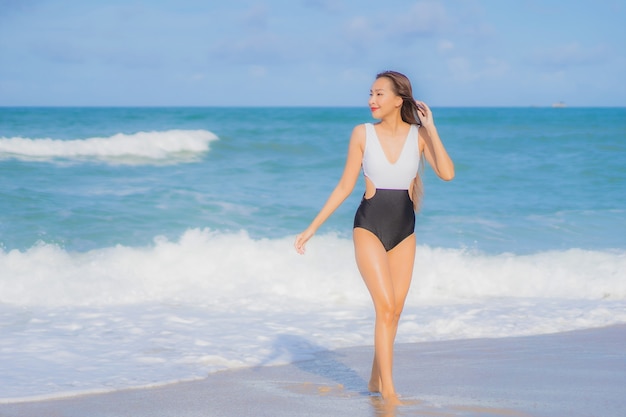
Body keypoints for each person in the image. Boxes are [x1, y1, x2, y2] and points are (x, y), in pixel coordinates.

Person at [294, 70, 454, 403]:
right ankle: (389, 391)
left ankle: (373, 376)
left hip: (404, 230)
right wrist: (312, 227)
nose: (372, 100)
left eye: (379, 94)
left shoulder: (419, 136)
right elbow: (344, 186)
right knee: (384, 307)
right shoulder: (362, 134)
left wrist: (432, 128)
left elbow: (448, 174)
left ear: (399, 100)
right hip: (368, 225)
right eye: (370, 93)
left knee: (395, 310)